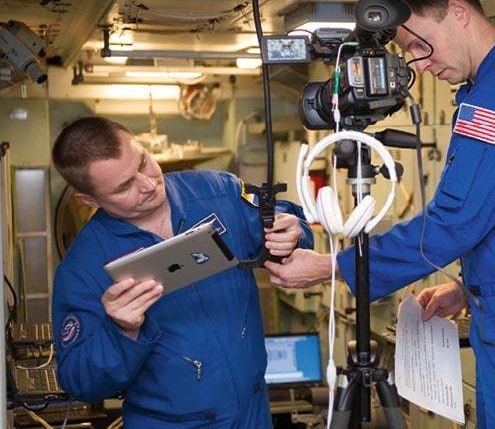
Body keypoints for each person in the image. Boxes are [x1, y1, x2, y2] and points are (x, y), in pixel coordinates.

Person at [266, 0, 495, 429]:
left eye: (418, 44)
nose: (420, 64)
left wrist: (332, 267)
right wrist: (471, 289)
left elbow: (456, 220)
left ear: (457, 12)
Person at [51, 116, 312, 428]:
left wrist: (292, 229)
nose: (148, 185)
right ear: (89, 200)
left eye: (143, 163)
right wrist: (121, 331)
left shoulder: (217, 190)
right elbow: (81, 383)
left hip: (253, 413)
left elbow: (281, 224)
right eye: (125, 187)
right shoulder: (84, 268)